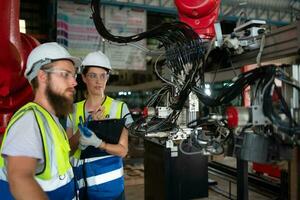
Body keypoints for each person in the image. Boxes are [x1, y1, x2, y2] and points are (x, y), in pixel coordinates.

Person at [0, 42, 81, 199]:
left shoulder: (51, 119)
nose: (74, 82)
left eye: (74, 75)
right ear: (43, 76)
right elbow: (19, 178)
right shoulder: (29, 121)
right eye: (65, 74)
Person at [66, 50, 133, 200]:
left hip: (109, 186)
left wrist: (99, 143)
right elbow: (68, 150)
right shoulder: (73, 110)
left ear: (108, 78)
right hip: (79, 183)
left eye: (103, 75)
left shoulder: (120, 108)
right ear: (83, 77)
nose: (99, 81)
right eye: (92, 75)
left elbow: (123, 151)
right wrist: (83, 130)